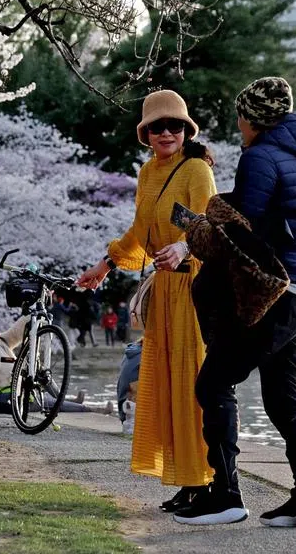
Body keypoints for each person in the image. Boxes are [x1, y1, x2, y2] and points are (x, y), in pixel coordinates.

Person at [180, 77, 296, 528]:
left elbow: (243, 230)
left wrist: (199, 227)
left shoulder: (260, 155)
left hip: (271, 290)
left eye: (241, 118)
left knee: (213, 383)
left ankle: (226, 495)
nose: (239, 126)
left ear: (253, 118)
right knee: (284, 395)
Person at [77, 90, 217, 515]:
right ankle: (182, 479)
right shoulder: (146, 173)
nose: (166, 133)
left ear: (186, 130)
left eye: (175, 125)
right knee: (166, 385)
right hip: (164, 292)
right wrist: (105, 264)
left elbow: (209, 227)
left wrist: (183, 249)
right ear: (146, 133)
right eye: (157, 127)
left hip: (192, 288)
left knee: (193, 384)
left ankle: (205, 480)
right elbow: (140, 229)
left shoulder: (196, 170)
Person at [0, 319, 100, 414]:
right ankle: (91, 409)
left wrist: (31, 315)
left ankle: (66, 399)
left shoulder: (2, 344)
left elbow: (16, 331)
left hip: (20, 394)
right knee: (54, 405)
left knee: (42, 376)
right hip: (7, 399)